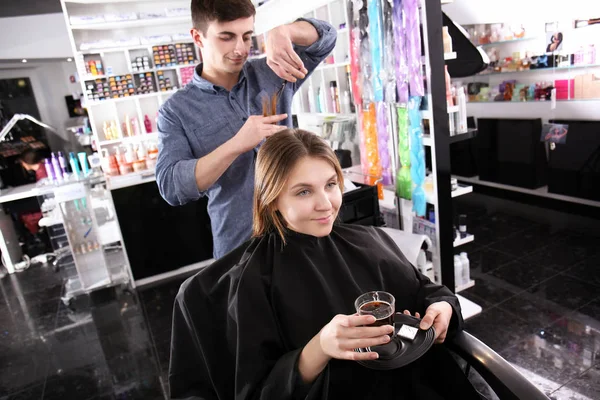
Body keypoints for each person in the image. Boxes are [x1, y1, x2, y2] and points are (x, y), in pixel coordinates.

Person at [169, 129, 481, 399]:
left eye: (331, 184)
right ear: (272, 199)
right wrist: (320, 347)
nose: (325, 203)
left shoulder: (371, 239)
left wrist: (442, 308)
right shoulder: (252, 280)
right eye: (303, 191)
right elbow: (259, 391)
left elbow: (430, 292)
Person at [156, 0, 337, 259]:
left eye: (247, 36)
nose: (240, 49)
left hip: (300, 233)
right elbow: (172, 187)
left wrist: (284, 31)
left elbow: (327, 37)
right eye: (227, 37)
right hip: (239, 247)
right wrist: (238, 144)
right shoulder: (176, 112)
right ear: (198, 37)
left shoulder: (273, 71)